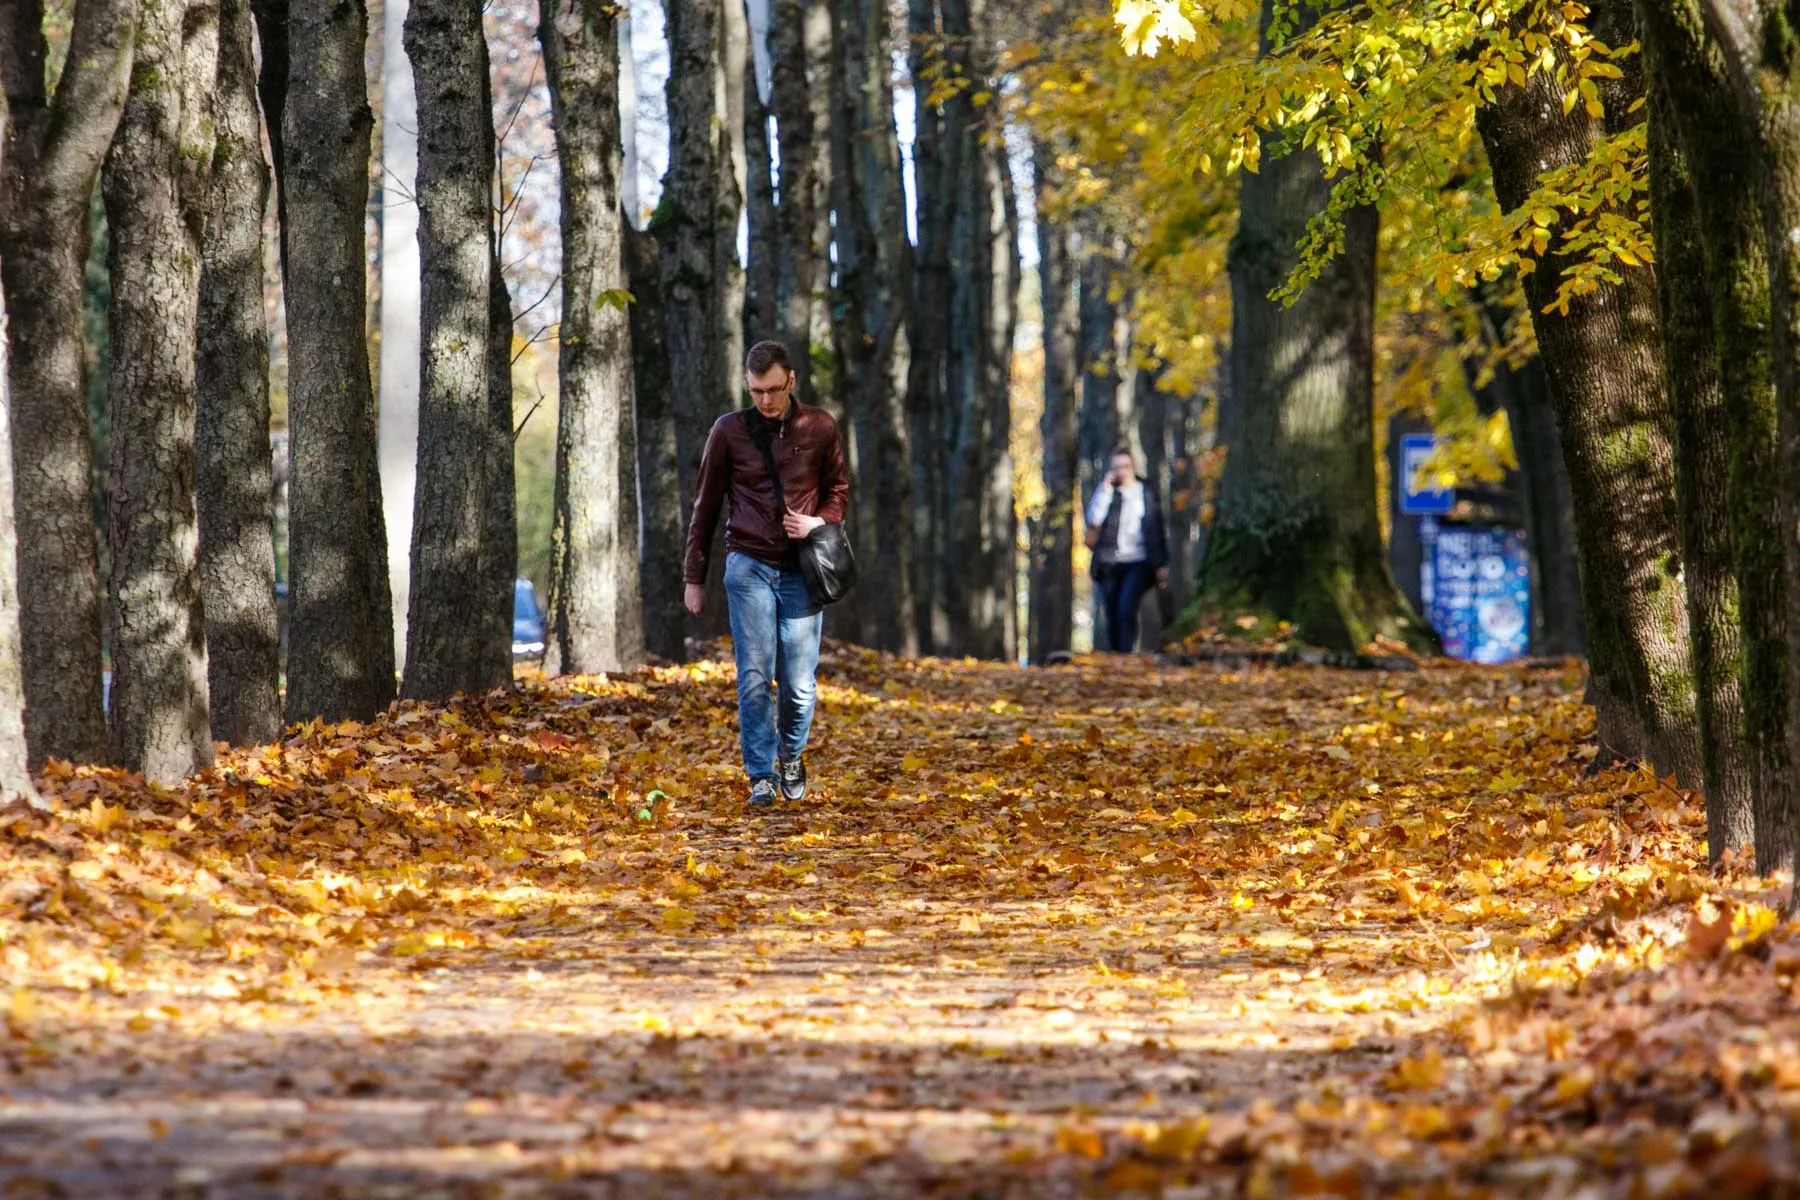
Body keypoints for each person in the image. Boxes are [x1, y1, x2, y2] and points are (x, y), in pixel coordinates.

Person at [684, 341, 850, 807]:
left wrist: (818, 522)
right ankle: (760, 774)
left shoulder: (819, 427)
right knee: (755, 674)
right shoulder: (728, 431)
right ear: (747, 385)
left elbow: (839, 489)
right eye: (756, 391)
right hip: (748, 563)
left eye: (774, 390)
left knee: (798, 684)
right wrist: (693, 577)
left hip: (802, 567)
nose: (766, 400)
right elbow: (705, 506)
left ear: (791, 381)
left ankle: (791, 756)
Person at [1085, 445, 1170, 654]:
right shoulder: (1107, 493)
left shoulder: (1146, 491)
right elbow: (1093, 519)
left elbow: (1156, 529)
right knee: (1112, 612)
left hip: (1139, 561)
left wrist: (1161, 564)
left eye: (1125, 466)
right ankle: (1116, 655)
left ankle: (1126, 654)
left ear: (1133, 466)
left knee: (1126, 607)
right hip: (1109, 562)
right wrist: (1105, 490)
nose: (1121, 471)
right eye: (1116, 467)